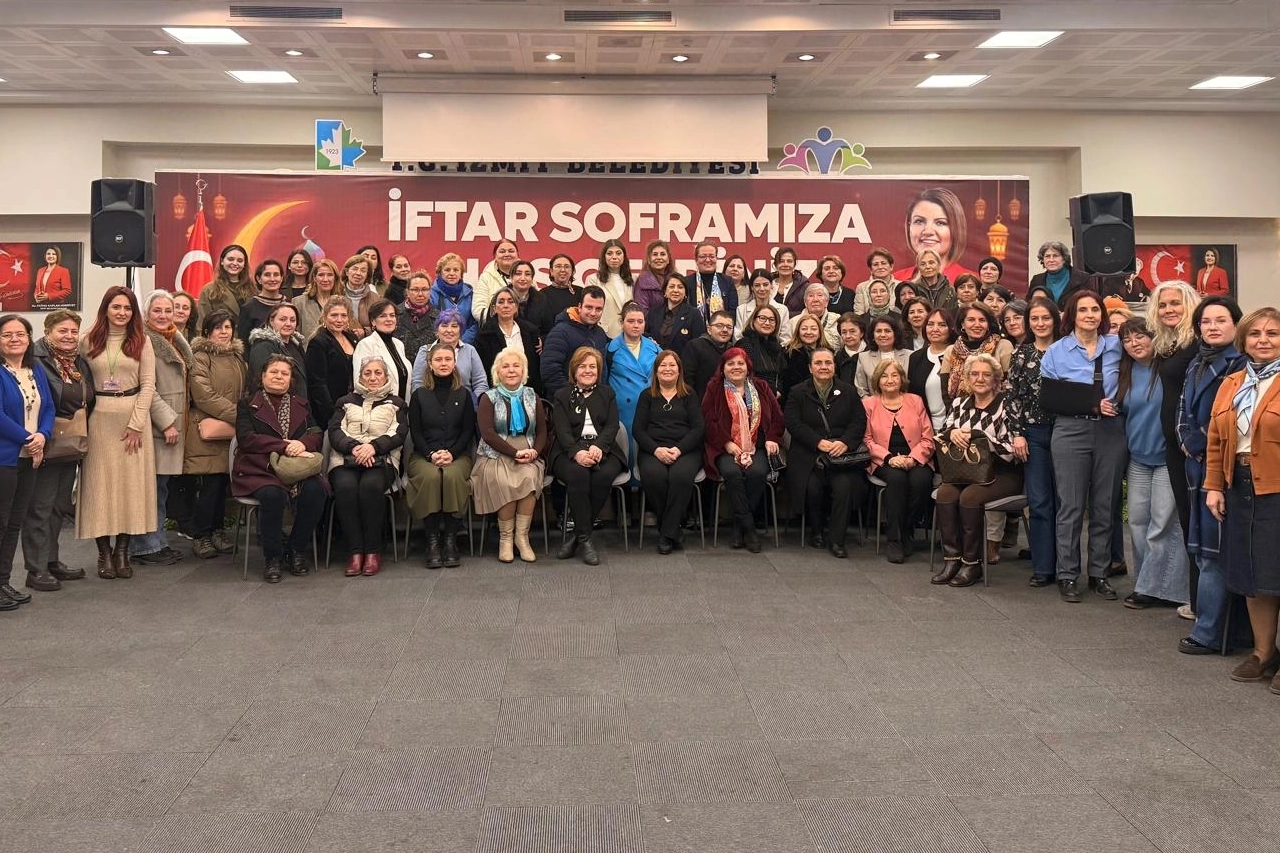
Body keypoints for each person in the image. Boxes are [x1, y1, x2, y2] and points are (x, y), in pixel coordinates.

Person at [1204, 307, 1280, 687]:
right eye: (1255, 334)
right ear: (1244, 340)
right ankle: (1263, 653)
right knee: (1253, 574)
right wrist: (1214, 485)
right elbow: (1216, 441)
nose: (1263, 340)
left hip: (1276, 488)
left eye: (1272, 333)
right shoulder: (1232, 383)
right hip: (1241, 487)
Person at [1040, 290, 1124, 603]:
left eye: (1095, 310)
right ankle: (1067, 574)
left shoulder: (1116, 346)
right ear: (1072, 316)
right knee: (1071, 507)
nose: (1090, 315)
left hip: (1110, 432)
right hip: (1070, 431)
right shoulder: (1056, 351)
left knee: (1105, 505)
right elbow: (1050, 399)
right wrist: (1090, 403)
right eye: (1083, 310)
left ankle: (1099, 573)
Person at [1178, 296, 1250, 654]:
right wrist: (1185, 438)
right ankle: (1223, 630)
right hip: (1196, 465)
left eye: (1221, 320)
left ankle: (1209, 632)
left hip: (1223, 468)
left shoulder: (1242, 364)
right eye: (1206, 322)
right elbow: (1182, 410)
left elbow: (1232, 417)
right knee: (1203, 550)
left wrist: (1200, 442)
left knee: (1215, 552)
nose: (1213, 327)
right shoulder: (1196, 362)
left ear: (1236, 325)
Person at [77, 286, 157, 580]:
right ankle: (103, 552)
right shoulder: (88, 340)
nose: (122, 313)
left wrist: (136, 423)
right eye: (116, 307)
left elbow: (148, 385)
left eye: (127, 308)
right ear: (106, 309)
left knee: (129, 488)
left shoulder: (142, 341)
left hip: (132, 421)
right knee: (99, 487)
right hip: (98, 420)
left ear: (133, 312)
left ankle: (122, 551)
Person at [1116, 317, 1190, 609]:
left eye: (1140, 336)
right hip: (1138, 458)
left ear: (1154, 337)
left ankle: (1153, 589)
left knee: (1162, 524)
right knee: (1137, 522)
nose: (1134, 344)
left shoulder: (1168, 370)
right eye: (1127, 339)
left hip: (1166, 459)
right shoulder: (1124, 372)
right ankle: (1147, 582)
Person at [931, 354, 1022, 588]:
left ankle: (972, 563)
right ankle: (952, 559)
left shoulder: (1007, 405)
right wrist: (952, 433)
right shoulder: (959, 403)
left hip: (1002, 473)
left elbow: (1014, 449)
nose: (980, 379)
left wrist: (981, 438)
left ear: (996, 379)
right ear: (967, 378)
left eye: (986, 374)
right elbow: (942, 434)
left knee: (970, 497)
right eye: (974, 374)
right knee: (945, 493)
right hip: (964, 471)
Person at [232, 355, 326, 582]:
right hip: (260, 468)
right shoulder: (247, 404)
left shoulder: (301, 403)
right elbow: (247, 439)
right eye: (274, 372)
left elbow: (316, 432)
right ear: (263, 376)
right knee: (272, 495)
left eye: (285, 373)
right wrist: (284, 446)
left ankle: (296, 550)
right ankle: (272, 557)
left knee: (316, 491)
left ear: (291, 380)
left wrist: (303, 444)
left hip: (297, 467)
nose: (279, 377)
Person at [21, 310, 93, 592]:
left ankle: (51, 561)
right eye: (62, 331)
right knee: (40, 508)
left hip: (70, 442)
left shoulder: (77, 361)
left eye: (74, 331)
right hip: (45, 441)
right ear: (48, 331)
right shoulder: (35, 359)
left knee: (58, 507)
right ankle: (36, 570)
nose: (69, 336)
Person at [329, 355, 408, 577]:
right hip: (346, 459)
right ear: (360, 376)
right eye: (367, 373)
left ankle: (373, 551)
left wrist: (373, 447)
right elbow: (335, 431)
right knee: (346, 488)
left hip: (381, 460)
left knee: (370, 487)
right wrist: (355, 447)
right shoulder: (344, 402)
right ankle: (355, 552)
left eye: (378, 373)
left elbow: (399, 433)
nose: (373, 377)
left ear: (386, 376)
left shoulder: (397, 404)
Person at [785, 348, 868, 559]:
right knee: (812, 487)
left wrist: (845, 442)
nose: (824, 367)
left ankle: (837, 539)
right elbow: (793, 423)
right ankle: (816, 530)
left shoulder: (848, 391)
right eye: (819, 363)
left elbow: (859, 422)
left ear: (834, 366)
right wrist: (817, 442)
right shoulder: (797, 392)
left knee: (844, 487)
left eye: (828, 363)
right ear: (810, 368)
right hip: (808, 453)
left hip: (841, 455)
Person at [130, 290, 192, 567]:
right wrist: (166, 421)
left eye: (168, 310)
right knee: (150, 489)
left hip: (173, 423)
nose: (164, 315)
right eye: (157, 310)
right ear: (146, 314)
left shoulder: (172, 338)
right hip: (156, 425)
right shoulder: (143, 341)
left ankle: (157, 542)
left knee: (160, 488)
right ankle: (146, 546)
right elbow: (146, 388)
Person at [1148, 281, 1202, 588]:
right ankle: (1195, 600)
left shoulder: (1198, 344)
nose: (1169, 309)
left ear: (1190, 304)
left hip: (1192, 446)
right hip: (1173, 447)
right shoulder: (1167, 345)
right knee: (1187, 521)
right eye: (1163, 304)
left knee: (1197, 523)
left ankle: (1204, 603)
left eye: (1175, 303)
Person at [702, 347, 783, 553]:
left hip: (757, 447)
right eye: (731, 364)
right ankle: (750, 530)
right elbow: (708, 420)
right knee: (732, 473)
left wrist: (772, 438)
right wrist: (727, 443)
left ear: (748, 367)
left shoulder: (761, 386)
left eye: (740, 363)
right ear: (723, 368)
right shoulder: (714, 388)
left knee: (757, 472)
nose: (736, 367)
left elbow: (777, 417)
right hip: (725, 447)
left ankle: (740, 527)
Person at [472, 347, 548, 564]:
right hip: (495, 453)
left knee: (529, 478)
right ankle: (505, 538)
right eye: (506, 366)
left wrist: (534, 452)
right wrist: (515, 452)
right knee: (504, 481)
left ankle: (522, 538)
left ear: (523, 370)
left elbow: (542, 431)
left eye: (516, 366)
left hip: (528, 451)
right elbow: (487, 433)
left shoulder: (533, 396)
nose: (511, 370)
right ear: (498, 372)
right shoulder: (488, 398)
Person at [550, 346, 625, 565]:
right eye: (582, 366)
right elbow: (562, 431)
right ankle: (586, 539)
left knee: (603, 475)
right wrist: (577, 452)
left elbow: (612, 426)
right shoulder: (562, 395)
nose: (588, 370)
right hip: (568, 450)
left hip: (604, 449)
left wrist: (599, 447)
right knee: (579, 474)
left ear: (599, 371)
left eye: (592, 366)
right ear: (574, 370)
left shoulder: (607, 393)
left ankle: (578, 537)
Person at [1007, 298, 1062, 587]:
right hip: (1034, 434)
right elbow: (1012, 396)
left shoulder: (1068, 350)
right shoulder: (1022, 354)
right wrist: (1017, 433)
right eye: (1035, 319)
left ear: (1055, 320)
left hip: (1066, 433)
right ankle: (1043, 567)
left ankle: (1066, 567)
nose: (1040, 323)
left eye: (1045, 318)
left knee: (1066, 503)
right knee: (1039, 502)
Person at [406, 342, 475, 570]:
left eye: (448, 359)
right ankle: (432, 540)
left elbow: (467, 431)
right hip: (424, 456)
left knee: (452, 476)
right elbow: (416, 432)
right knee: (432, 476)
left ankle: (451, 540)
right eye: (438, 359)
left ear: (454, 363)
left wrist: (452, 453)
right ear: (430, 364)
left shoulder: (463, 395)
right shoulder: (419, 395)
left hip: (458, 455)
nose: (443, 363)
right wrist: (431, 454)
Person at [0, 315, 53, 610]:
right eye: (7, 335)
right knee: (0, 523)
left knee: (14, 524)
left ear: (29, 338)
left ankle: (3, 582)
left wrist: (43, 436)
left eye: (20, 334)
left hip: (29, 455)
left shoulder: (35, 370)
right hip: (5, 458)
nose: (14, 339)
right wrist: (28, 439)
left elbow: (49, 408)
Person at [183, 311, 244, 560]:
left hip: (229, 432)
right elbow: (203, 395)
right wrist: (239, 416)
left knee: (221, 486)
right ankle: (201, 535)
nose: (223, 332)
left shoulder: (237, 357)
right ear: (208, 331)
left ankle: (218, 531)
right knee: (208, 488)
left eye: (227, 327)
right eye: (218, 327)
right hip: (206, 430)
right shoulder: (200, 357)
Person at [633, 350, 705, 554]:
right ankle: (673, 529)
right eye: (663, 365)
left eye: (672, 365)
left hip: (685, 450)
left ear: (679, 370)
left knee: (680, 477)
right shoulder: (646, 396)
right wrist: (656, 450)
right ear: (656, 371)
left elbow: (698, 428)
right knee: (654, 476)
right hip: (653, 450)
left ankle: (666, 532)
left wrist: (679, 449)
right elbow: (638, 429)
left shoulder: (689, 394)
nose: (667, 369)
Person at [864, 360, 935, 563]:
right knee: (897, 480)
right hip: (884, 460)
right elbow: (866, 440)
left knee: (921, 481)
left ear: (902, 379)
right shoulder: (869, 404)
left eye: (894, 375)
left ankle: (907, 529)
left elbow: (928, 438)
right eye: (885, 376)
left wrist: (913, 458)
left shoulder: (915, 401)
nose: (890, 380)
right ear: (877, 380)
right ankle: (894, 539)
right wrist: (889, 458)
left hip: (916, 457)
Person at [606, 302, 660, 466]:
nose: (636, 325)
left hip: (651, 408)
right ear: (622, 323)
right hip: (623, 410)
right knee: (627, 451)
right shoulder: (610, 350)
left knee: (648, 454)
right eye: (630, 321)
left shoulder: (656, 349)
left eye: (640, 321)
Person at [540, 286, 611, 399]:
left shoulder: (600, 333)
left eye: (598, 309)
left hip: (594, 402)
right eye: (589, 307)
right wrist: (573, 396)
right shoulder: (560, 332)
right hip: (565, 403)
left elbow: (602, 371)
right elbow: (549, 370)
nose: (593, 313)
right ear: (579, 306)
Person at [474, 287, 543, 397]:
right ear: (494, 308)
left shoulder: (531, 332)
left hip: (528, 391)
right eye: (501, 302)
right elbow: (483, 370)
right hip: (496, 393)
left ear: (516, 307)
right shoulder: (484, 335)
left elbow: (536, 365)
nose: (505, 305)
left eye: (510, 302)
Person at [896, 187, 973, 283]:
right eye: (919, 221)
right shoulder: (894, 280)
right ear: (909, 226)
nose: (928, 231)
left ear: (956, 229)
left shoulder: (974, 282)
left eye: (940, 223)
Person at [304, 296, 357, 429]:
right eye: (334, 315)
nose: (339, 320)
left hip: (353, 407)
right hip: (330, 410)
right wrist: (332, 414)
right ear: (325, 317)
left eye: (343, 315)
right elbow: (317, 384)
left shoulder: (352, 338)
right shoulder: (318, 342)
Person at [411, 309, 488, 401]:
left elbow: (481, 383)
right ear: (437, 330)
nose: (449, 330)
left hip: (465, 405)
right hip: (430, 405)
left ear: (460, 330)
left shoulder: (470, 351)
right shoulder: (425, 351)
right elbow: (417, 383)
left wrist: (470, 403)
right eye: (444, 326)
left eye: (454, 326)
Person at [942, 304, 1013, 399]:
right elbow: (945, 392)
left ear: (988, 324)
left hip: (997, 406)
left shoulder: (1003, 346)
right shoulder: (951, 350)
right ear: (963, 324)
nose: (977, 325)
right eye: (971, 320)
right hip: (957, 406)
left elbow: (1010, 385)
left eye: (982, 320)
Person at [907, 308, 956, 432]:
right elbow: (912, 395)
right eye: (930, 324)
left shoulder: (958, 355)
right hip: (924, 426)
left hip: (955, 426)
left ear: (951, 328)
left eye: (942, 325)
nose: (935, 329)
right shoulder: (916, 357)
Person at [353, 299, 410, 400]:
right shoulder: (366, 345)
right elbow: (360, 382)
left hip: (401, 405)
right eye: (383, 316)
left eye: (392, 315)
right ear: (373, 321)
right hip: (378, 405)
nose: (389, 319)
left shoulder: (399, 344)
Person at [247, 303, 306, 394]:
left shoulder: (296, 344)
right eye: (282, 319)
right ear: (271, 321)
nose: (288, 324)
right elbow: (260, 382)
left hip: (299, 401)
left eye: (292, 320)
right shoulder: (263, 347)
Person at [647, 273, 707, 357]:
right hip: (655, 362)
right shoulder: (653, 313)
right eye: (671, 287)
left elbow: (699, 345)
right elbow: (645, 337)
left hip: (683, 363)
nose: (675, 290)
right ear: (665, 291)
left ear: (685, 293)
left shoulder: (694, 314)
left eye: (680, 287)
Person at [585, 238, 634, 338]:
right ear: (604, 257)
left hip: (630, 334)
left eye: (618, 253)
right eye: (609, 253)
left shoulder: (634, 279)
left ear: (624, 256)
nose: (614, 257)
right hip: (604, 334)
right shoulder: (593, 280)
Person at [855, 314, 912, 398]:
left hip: (906, 403)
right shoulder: (863, 357)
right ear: (873, 335)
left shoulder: (910, 355)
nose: (883, 335)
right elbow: (861, 389)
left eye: (887, 331)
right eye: (878, 331)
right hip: (874, 404)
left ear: (895, 334)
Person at [739, 304, 788, 399]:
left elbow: (781, 375)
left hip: (775, 399)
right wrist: (772, 391)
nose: (767, 323)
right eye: (762, 318)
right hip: (753, 398)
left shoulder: (776, 346)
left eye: (772, 320)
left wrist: (779, 391)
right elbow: (745, 376)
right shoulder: (745, 344)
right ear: (753, 320)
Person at [428, 252, 478, 344]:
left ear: (461, 273)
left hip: (466, 344)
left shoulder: (470, 294)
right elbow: (431, 323)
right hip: (440, 345)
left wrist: (461, 342)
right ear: (440, 272)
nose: (451, 273)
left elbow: (474, 323)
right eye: (447, 270)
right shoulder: (431, 294)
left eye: (456, 270)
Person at [783, 314, 831, 407]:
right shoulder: (789, 354)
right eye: (804, 329)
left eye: (813, 329)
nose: (809, 332)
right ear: (798, 331)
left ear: (820, 332)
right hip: (800, 402)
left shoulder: (829, 352)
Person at [236, 258, 287, 345]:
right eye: (267, 275)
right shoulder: (249, 308)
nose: (272, 279)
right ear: (259, 279)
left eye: (276, 275)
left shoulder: (289, 303)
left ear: (281, 278)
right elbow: (243, 344)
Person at [528, 253, 579, 338]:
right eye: (558, 266)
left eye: (567, 266)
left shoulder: (581, 293)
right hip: (550, 339)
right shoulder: (541, 295)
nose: (562, 270)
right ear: (551, 271)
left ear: (572, 271)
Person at [292, 258, 343, 342]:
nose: (325, 279)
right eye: (321, 275)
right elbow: (294, 336)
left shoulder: (343, 303)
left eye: (330, 275)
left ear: (335, 278)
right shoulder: (298, 302)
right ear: (314, 278)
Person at [198, 244, 252, 322]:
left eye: (240, 261)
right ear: (222, 261)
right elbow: (203, 322)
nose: (235, 263)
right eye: (231, 259)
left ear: (244, 264)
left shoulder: (254, 289)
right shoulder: (209, 290)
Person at [736, 269, 791, 345]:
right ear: (752, 287)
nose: (762, 289)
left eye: (765, 285)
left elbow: (785, 339)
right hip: (747, 350)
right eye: (757, 285)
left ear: (771, 285)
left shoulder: (783, 310)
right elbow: (738, 337)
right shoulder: (741, 310)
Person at [685, 240, 738, 320]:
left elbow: (733, 312)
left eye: (711, 256)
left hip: (723, 327)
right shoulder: (686, 282)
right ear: (696, 259)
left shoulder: (727, 281)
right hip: (694, 327)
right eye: (703, 256)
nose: (707, 260)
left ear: (716, 258)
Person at [1028, 241, 1090, 309]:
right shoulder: (1036, 280)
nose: (1051, 260)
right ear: (1042, 260)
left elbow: (1088, 303)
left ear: (1064, 259)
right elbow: (1029, 305)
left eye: (1055, 256)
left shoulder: (1082, 278)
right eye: (1047, 256)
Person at [394, 270, 439, 362]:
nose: (420, 294)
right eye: (415, 290)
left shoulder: (439, 317)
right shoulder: (394, 314)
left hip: (429, 367)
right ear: (407, 291)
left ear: (430, 291)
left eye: (424, 289)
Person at [472, 238, 520, 320]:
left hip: (523, 327)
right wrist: (502, 320)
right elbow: (478, 310)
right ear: (495, 256)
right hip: (494, 326)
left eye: (511, 251)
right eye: (502, 251)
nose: (507, 254)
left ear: (517, 254)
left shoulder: (527, 276)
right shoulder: (485, 278)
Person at [633, 239, 676, 315]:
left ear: (668, 259)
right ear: (649, 260)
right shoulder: (642, 282)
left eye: (662, 254)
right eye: (655, 254)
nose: (659, 258)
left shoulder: (676, 279)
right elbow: (642, 312)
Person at [793, 283, 841, 349]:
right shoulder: (793, 322)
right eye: (811, 296)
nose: (815, 299)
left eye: (820, 295)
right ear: (805, 302)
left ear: (827, 302)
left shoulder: (837, 321)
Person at [852, 248, 899, 315]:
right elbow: (859, 313)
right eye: (876, 264)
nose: (880, 267)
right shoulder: (862, 287)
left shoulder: (900, 286)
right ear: (871, 269)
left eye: (883, 263)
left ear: (891, 266)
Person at [910, 249, 956, 314]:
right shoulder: (913, 289)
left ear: (939, 264)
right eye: (923, 264)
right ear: (918, 267)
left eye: (931, 263)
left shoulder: (950, 290)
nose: (927, 267)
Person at [341, 254, 375, 336]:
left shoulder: (375, 298)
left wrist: (365, 332)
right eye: (355, 269)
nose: (358, 273)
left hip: (367, 342)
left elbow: (380, 325)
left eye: (363, 271)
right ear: (347, 272)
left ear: (367, 275)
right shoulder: (336, 294)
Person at [772, 246, 810, 316]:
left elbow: (808, 312)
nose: (785, 264)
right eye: (781, 261)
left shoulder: (804, 287)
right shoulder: (767, 284)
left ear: (794, 264)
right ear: (776, 264)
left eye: (789, 261)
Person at [835, 313, 866, 386]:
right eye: (844, 332)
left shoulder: (872, 353)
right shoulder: (838, 358)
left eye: (852, 331)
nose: (848, 336)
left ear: (861, 333)